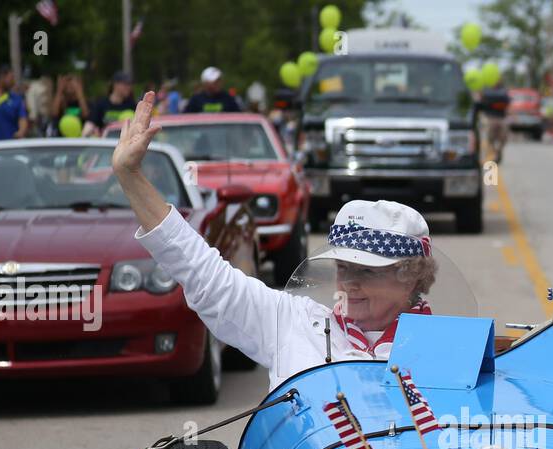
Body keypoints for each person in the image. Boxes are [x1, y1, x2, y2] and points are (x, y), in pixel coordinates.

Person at [112, 91, 439, 390]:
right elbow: (206, 277)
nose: (349, 283)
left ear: (410, 276)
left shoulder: (448, 349)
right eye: (344, 267)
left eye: (367, 271)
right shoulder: (294, 322)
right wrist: (131, 177)